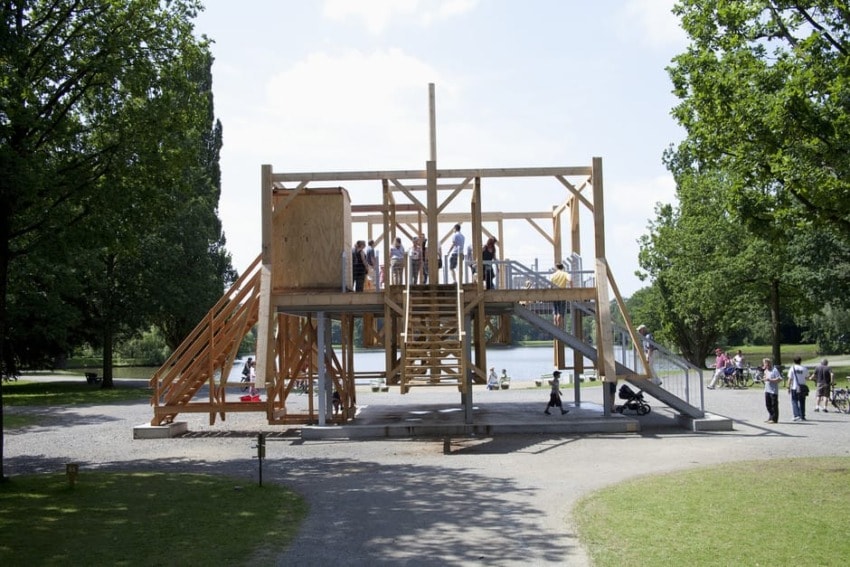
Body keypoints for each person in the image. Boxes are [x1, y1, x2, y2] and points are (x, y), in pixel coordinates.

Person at [787, 356, 809, 421]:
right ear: (800, 361)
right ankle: (802, 415)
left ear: (794, 361)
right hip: (802, 387)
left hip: (794, 387)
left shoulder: (792, 368)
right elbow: (807, 377)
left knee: (794, 401)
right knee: (802, 401)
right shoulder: (804, 368)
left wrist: (788, 387)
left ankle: (796, 415)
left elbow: (790, 378)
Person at [762, 357, 781, 423]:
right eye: (764, 364)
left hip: (773, 390)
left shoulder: (774, 370)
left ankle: (774, 419)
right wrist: (764, 378)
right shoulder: (766, 371)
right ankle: (770, 417)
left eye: (765, 364)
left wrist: (770, 380)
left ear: (769, 364)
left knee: (774, 405)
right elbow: (765, 378)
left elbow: (779, 379)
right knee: (768, 404)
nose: (764, 365)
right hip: (767, 389)